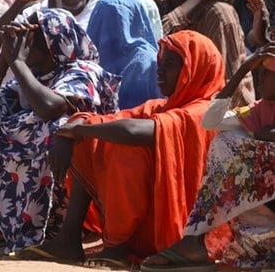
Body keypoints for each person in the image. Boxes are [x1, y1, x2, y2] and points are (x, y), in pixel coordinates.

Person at [21, 31, 225, 265]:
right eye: (160, 63)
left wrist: (78, 130)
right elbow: (112, 120)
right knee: (91, 136)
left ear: (195, 69)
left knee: (123, 147)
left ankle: (117, 246)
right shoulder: (163, 106)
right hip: (152, 217)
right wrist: (73, 130)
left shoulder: (204, 112)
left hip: (179, 228)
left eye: (170, 64)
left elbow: (132, 131)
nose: (158, 70)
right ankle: (68, 239)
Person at [0, 8, 120, 253]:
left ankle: (64, 229)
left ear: (54, 38)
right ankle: (15, 223)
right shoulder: (31, 76)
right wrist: (4, 61)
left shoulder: (84, 71)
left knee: (56, 129)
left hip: (86, 176)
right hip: (31, 185)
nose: (24, 40)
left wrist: (18, 63)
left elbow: (49, 108)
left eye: (31, 34)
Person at [141, 46, 275, 270]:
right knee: (227, 139)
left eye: (269, 75)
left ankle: (193, 241)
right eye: (260, 74)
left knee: (232, 143)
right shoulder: (256, 112)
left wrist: (262, 136)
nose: (261, 80)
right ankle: (194, 240)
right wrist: (243, 69)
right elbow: (211, 121)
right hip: (260, 219)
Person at [150, 0, 252, 106]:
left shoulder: (217, 14)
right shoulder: (160, 6)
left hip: (218, 116)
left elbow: (227, 85)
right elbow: (153, 42)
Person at [86, 0, 163, 109]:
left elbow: (137, 115)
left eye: (117, 18)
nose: (110, 26)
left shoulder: (143, 62)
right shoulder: (91, 56)